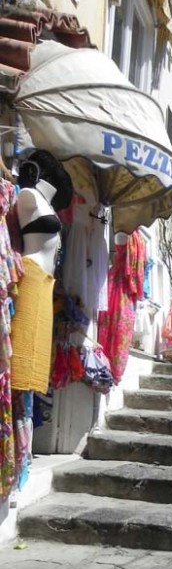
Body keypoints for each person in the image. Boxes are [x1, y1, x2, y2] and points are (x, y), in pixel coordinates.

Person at [11, 150, 73, 393]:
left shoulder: (46, 202)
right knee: (23, 351)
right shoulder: (29, 195)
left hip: (45, 282)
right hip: (32, 276)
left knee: (36, 356)